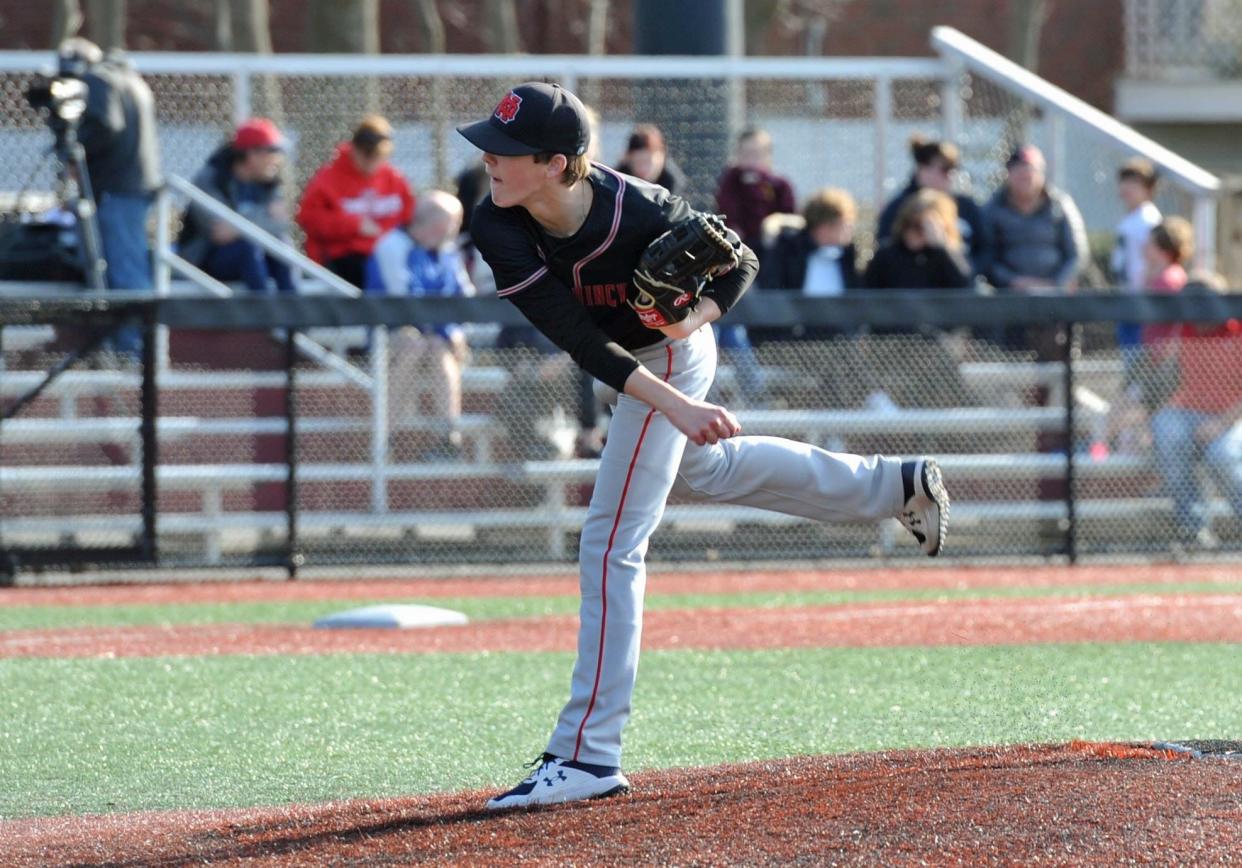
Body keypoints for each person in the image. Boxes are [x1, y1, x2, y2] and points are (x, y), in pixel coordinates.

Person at [457, 81, 951, 811]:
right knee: (711, 471)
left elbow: (741, 261)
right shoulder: (495, 223)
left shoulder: (642, 208)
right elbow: (583, 343)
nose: (489, 160)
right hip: (642, 371)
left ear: (559, 163)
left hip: (675, 354)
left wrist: (694, 326)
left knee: (611, 540)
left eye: (507, 151)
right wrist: (679, 408)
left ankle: (587, 752)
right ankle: (893, 485)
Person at [365, 190, 473, 458]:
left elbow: (465, 295)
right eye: (455, 222)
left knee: (438, 347)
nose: (457, 228)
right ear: (438, 224)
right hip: (388, 333)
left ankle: (449, 439)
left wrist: (454, 332)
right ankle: (383, 438)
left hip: (434, 337)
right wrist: (446, 329)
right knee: (414, 344)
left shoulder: (447, 251)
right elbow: (406, 301)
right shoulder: (392, 245)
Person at [1149, 273, 1242, 549]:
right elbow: (1154, 379)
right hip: (1189, 411)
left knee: (1221, 455)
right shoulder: (1182, 330)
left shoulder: (1237, 327)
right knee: (1167, 431)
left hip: (1233, 417)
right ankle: (1194, 530)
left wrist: (1222, 423)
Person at [177, 118, 295, 293]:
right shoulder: (211, 179)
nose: (277, 159)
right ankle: (266, 316)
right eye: (272, 151)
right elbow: (218, 231)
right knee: (249, 249)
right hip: (207, 260)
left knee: (282, 245)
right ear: (251, 155)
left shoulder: (268, 182)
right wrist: (263, 216)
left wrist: (238, 227)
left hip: (254, 258)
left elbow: (281, 224)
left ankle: (294, 313)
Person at [296, 115, 414, 288]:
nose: (370, 161)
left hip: (386, 253)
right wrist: (353, 225)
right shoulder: (329, 178)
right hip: (345, 255)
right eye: (366, 153)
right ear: (354, 148)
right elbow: (309, 218)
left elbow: (409, 216)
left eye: (376, 155)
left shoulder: (394, 179)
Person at [981, 144, 1088, 297]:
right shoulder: (992, 209)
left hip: (1056, 297)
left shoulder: (1060, 205)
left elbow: (1076, 254)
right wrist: (1013, 281)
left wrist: (1056, 284)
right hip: (1008, 298)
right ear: (1009, 174)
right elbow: (986, 257)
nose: (1026, 178)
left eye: (1031, 172)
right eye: (1019, 173)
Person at [876, 135, 987, 277]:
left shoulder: (966, 207)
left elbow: (984, 248)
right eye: (945, 169)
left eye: (953, 169)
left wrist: (969, 271)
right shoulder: (900, 208)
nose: (950, 176)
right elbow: (885, 250)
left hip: (957, 285)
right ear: (923, 169)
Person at [863, 190, 974, 292]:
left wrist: (942, 248)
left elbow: (965, 287)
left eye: (919, 227)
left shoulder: (948, 257)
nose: (911, 232)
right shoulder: (886, 256)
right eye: (908, 224)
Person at [1112, 157, 1164, 355]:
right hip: (1128, 298)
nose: (1127, 188)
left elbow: (1155, 260)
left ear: (1149, 189)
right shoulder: (1131, 218)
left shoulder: (1148, 219)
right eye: (1124, 181)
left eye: (1134, 183)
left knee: (1139, 359)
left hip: (1142, 301)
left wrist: (1149, 293)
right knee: (1129, 356)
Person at [615, 124, 687, 195]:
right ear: (628, 159)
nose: (644, 168)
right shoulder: (617, 180)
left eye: (648, 162)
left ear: (662, 159)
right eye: (639, 163)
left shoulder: (671, 182)